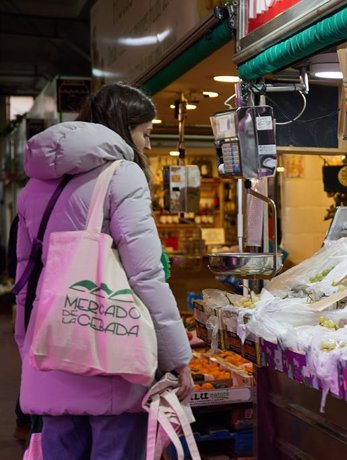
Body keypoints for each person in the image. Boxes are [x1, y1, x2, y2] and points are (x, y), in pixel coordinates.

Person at [14, 83, 193, 460]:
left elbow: (24, 280)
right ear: (124, 127)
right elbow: (146, 277)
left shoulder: (34, 185)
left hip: (50, 349)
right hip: (111, 355)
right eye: (145, 133)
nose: (148, 145)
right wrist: (178, 358)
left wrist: (25, 343)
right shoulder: (122, 175)